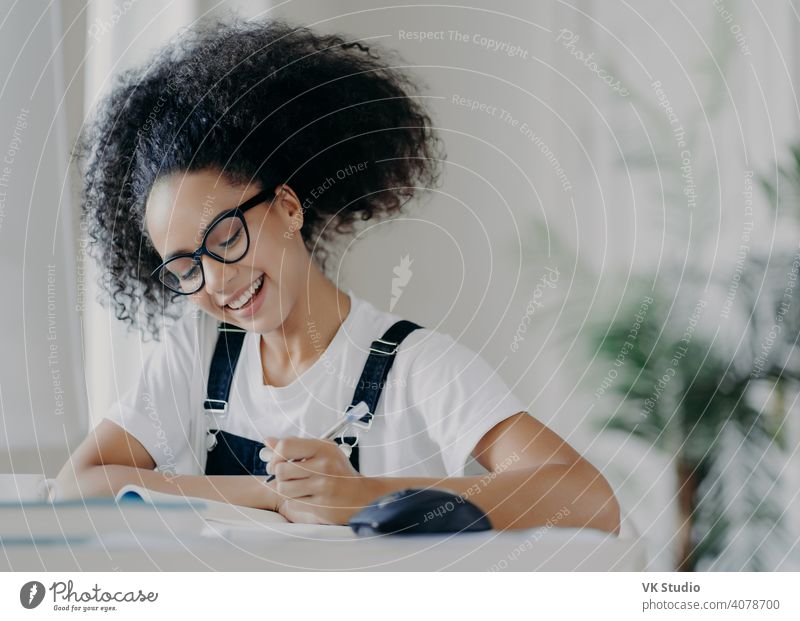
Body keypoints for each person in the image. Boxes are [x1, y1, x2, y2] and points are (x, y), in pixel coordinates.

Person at [57, 18, 619, 533]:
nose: (216, 280)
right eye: (185, 266)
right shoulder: (196, 353)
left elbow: (589, 498)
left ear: (288, 206)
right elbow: (76, 486)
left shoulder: (415, 367)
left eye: (226, 238)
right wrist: (265, 492)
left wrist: (365, 496)